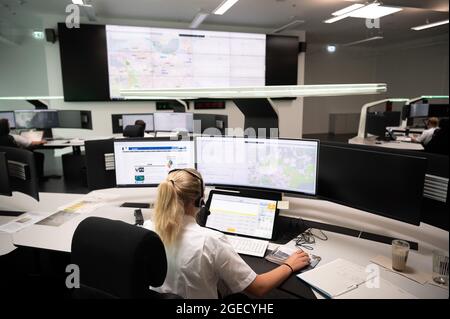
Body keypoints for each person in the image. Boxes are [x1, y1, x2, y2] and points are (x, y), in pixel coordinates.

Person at [144, 168, 310, 299]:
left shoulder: (147, 229)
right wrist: (289, 265)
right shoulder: (210, 241)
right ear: (200, 200)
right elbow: (259, 288)